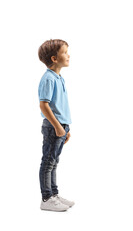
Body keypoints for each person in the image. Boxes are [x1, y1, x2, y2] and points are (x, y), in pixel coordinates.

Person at [38, 39, 75, 212]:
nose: (68, 55)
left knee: (54, 162)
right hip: (54, 127)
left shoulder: (59, 78)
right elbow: (44, 105)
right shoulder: (48, 79)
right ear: (54, 58)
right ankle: (46, 198)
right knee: (48, 162)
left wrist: (66, 128)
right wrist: (58, 127)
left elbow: (59, 106)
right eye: (65, 52)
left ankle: (54, 193)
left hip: (61, 126)